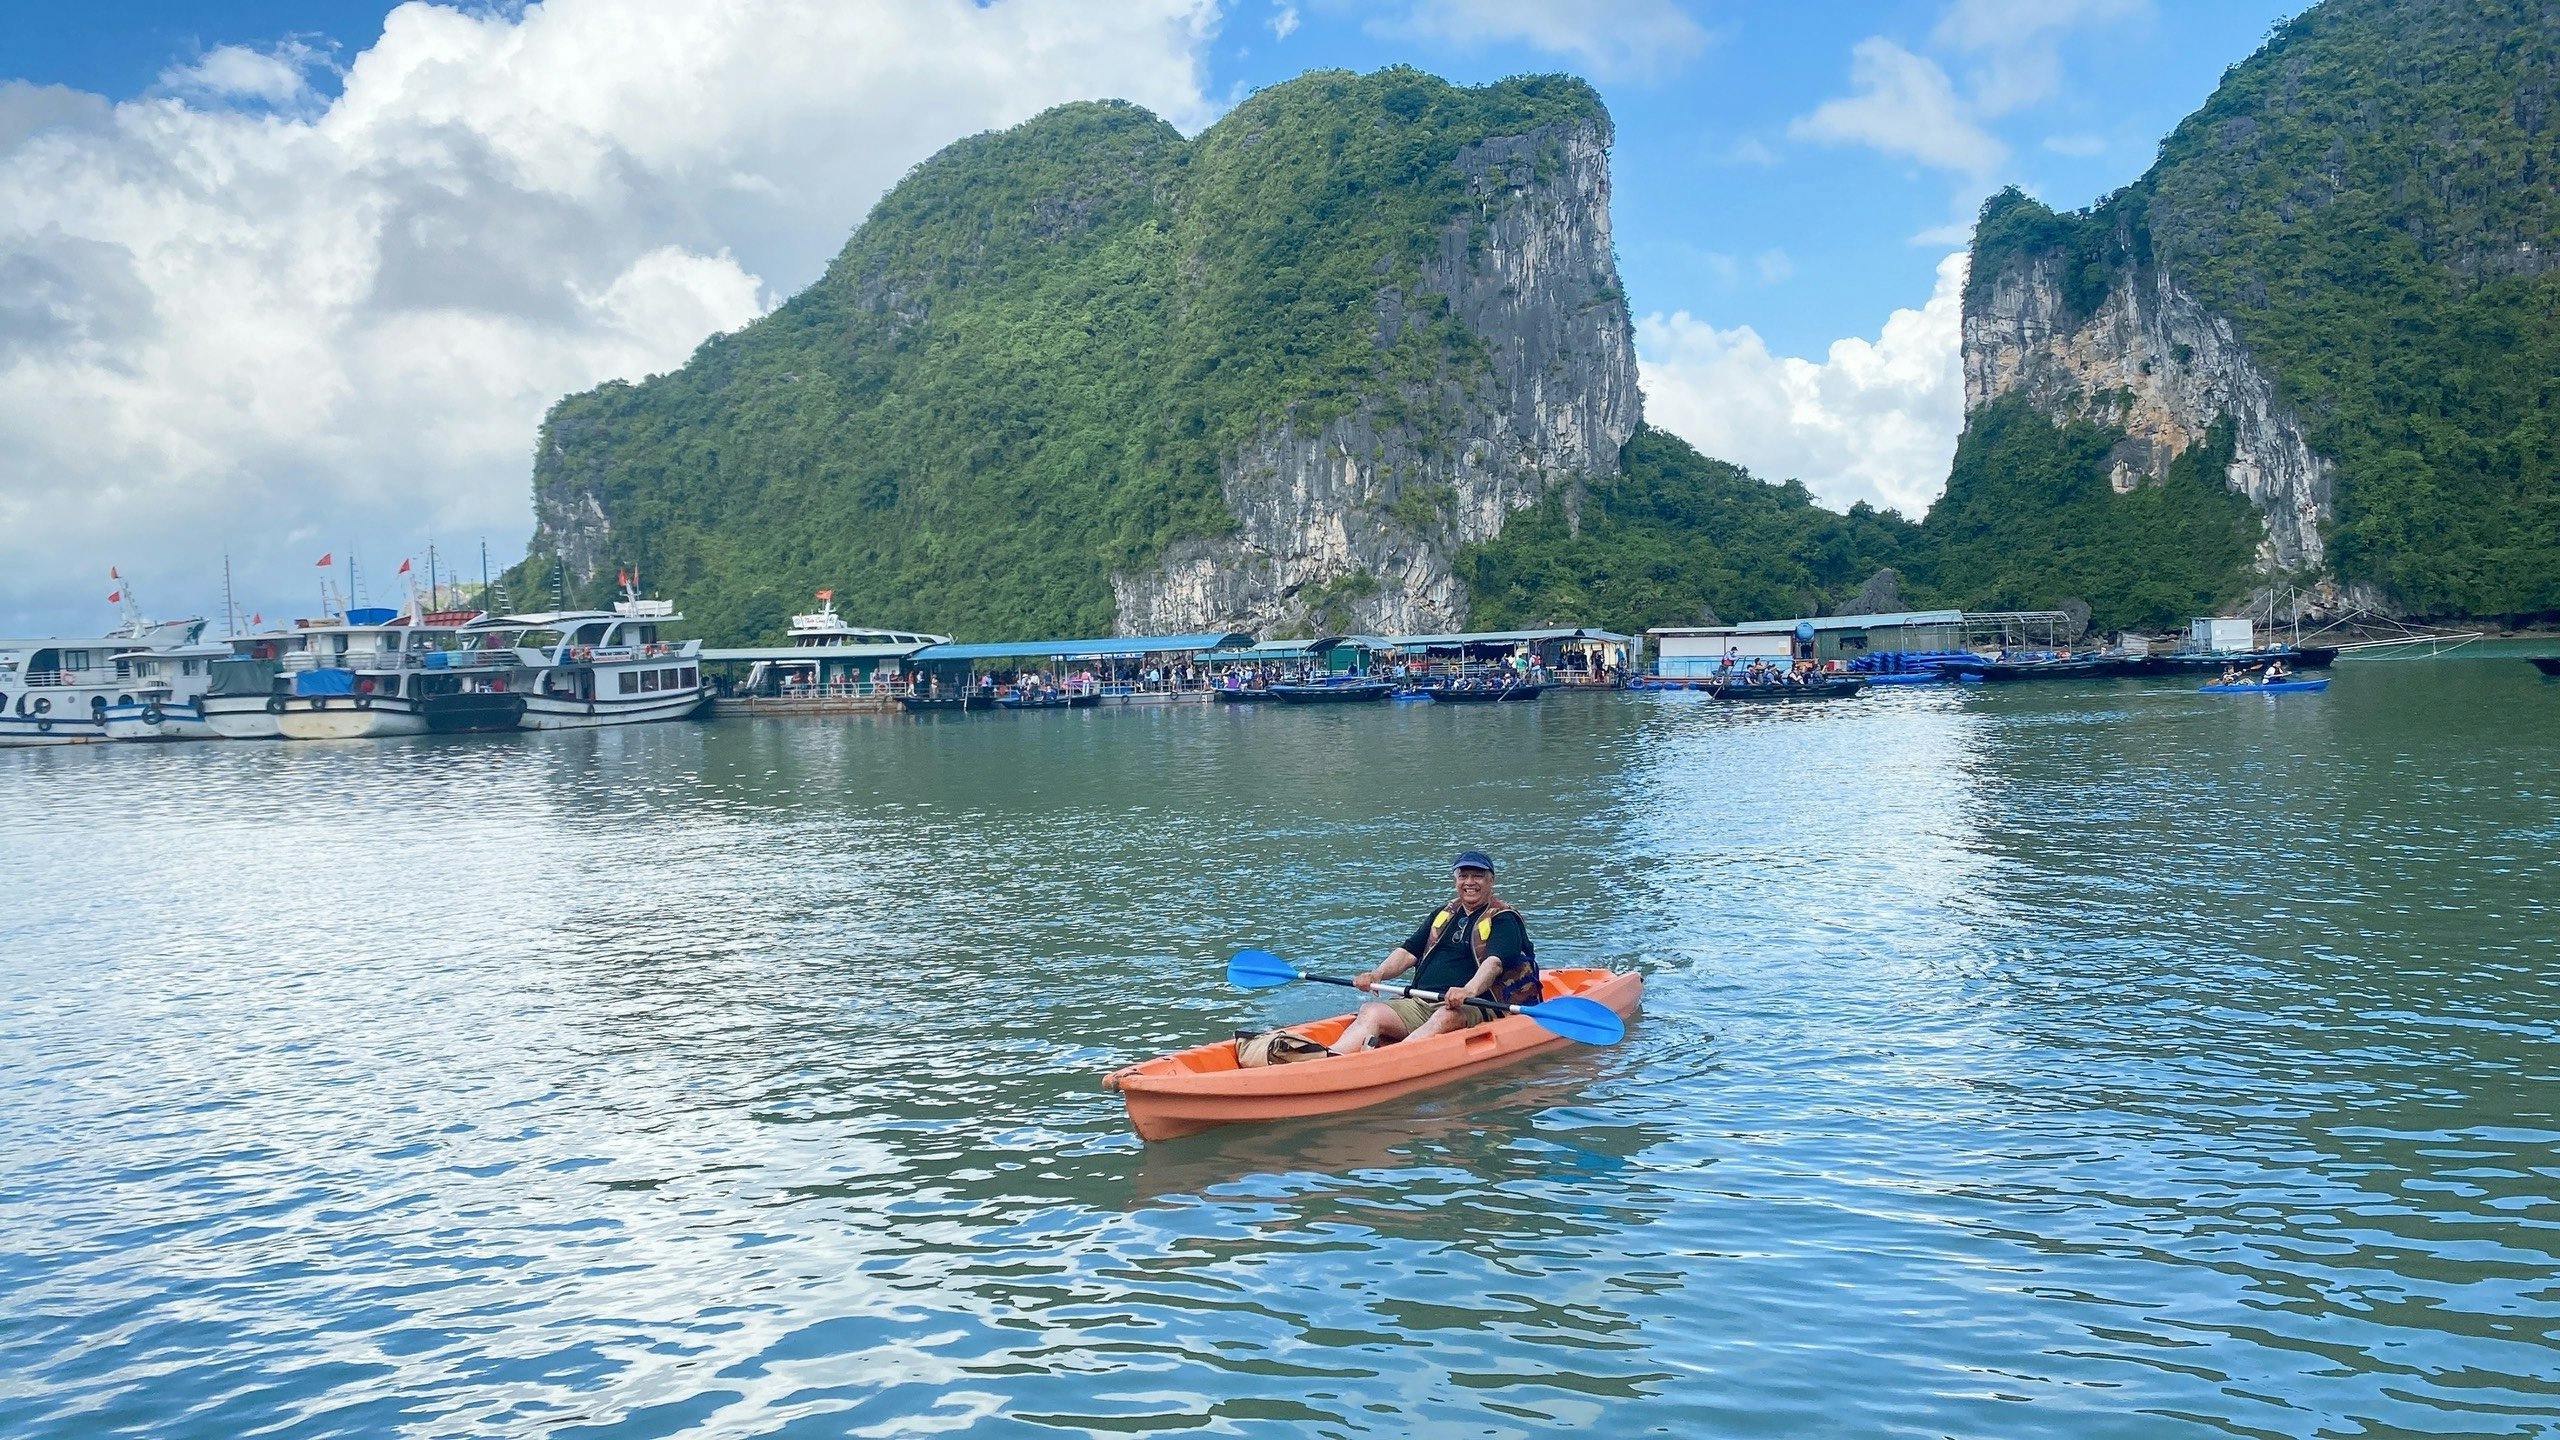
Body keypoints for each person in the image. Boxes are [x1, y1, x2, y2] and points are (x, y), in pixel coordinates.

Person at [1329, 851, 1537, 1054]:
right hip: (1422, 1001)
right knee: (1370, 1011)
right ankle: (1332, 1056)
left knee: (1445, 1017)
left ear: (1491, 881)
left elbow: (1494, 963)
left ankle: (1390, 1059)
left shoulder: (1504, 919)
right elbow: (1408, 952)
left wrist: (1468, 990)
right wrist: (1377, 974)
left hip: (1475, 1004)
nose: (1469, 882)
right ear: (1456, 880)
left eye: (1477, 876)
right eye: (1463, 876)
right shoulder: (1443, 914)